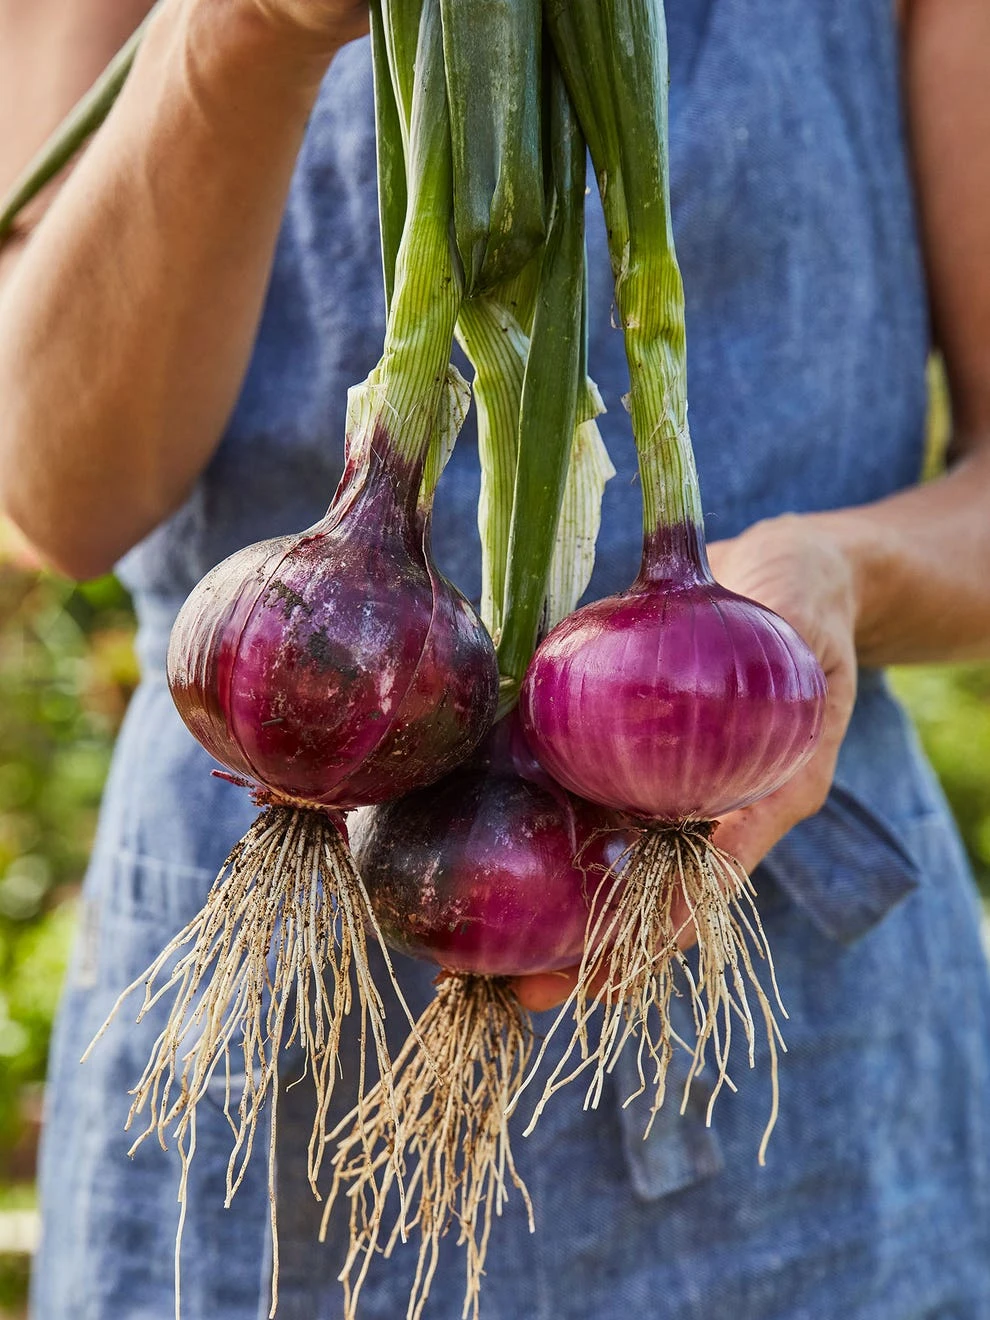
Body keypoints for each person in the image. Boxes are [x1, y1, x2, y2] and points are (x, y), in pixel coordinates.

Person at [2, 0, 990, 1315]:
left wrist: (839, 582)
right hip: (262, 990)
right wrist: (246, 25)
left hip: (787, 1013)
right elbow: (52, 497)